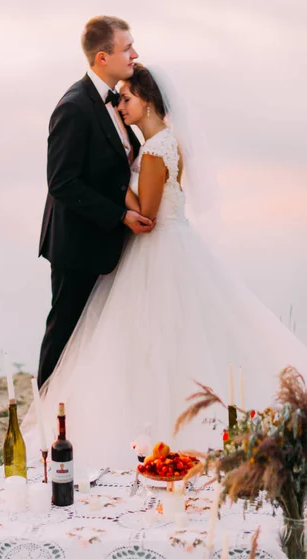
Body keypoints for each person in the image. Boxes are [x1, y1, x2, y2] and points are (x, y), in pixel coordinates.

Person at [23, 63, 307, 469]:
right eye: (118, 98)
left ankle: (165, 430)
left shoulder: (157, 149)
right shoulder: (161, 143)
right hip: (168, 245)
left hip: (158, 249)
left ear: (148, 100)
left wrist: (113, 184)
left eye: (126, 98)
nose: (120, 105)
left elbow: (148, 212)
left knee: (158, 337)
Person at [37, 16, 155, 389]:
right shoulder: (73, 107)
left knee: (96, 340)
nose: (134, 54)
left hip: (106, 244)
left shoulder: (117, 103)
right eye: (127, 48)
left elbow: (115, 165)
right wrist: (120, 214)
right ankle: (44, 418)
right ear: (102, 57)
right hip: (77, 244)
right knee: (66, 334)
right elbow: (62, 181)